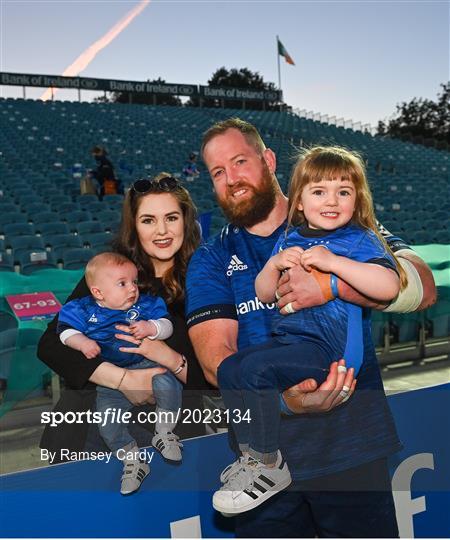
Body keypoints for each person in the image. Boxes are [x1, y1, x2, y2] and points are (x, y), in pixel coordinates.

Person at [185, 118, 436, 537]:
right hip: (261, 473)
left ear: (267, 160)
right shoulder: (212, 256)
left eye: (240, 161)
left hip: (352, 445)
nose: (232, 179)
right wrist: (288, 403)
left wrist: (331, 284)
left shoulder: (338, 219)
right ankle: (264, 462)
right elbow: (216, 363)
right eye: (218, 172)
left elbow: (422, 287)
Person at [212, 146, 406, 514]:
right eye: (319, 191)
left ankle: (270, 466)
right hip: (293, 342)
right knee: (231, 369)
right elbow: (264, 293)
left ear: (357, 199)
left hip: (329, 352)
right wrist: (273, 264)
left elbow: (389, 286)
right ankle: (252, 456)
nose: (331, 201)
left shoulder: (359, 238)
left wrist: (335, 266)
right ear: (298, 201)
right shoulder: (290, 239)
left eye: (343, 192)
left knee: (256, 371)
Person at [38, 173, 207, 471]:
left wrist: (167, 357)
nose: (162, 231)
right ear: (134, 226)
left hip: (170, 438)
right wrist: (123, 380)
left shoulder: (207, 281)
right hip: (89, 430)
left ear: (186, 221)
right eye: (148, 220)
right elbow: (52, 343)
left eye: (171, 217)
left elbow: (213, 381)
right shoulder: (113, 273)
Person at [57, 252, 182, 495]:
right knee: (108, 423)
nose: (132, 289)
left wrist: (152, 328)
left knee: (168, 385)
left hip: (147, 367)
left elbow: (167, 325)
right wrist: (81, 342)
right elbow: (63, 333)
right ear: (98, 293)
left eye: (134, 282)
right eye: (122, 284)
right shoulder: (83, 309)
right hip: (110, 381)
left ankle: (164, 432)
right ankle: (133, 460)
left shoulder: (145, 305)